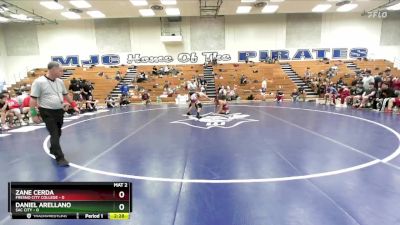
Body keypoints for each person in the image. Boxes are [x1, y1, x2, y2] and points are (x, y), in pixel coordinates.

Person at [30, 62, 75, 167]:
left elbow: (65, 94)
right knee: (54, 133)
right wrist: (33, 114)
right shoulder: (39, 82)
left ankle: (53, 148)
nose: (62, 72)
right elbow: (33, 99)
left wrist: (74, 105)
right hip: (46, 111)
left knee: (58, 132)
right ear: (53, 69)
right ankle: (60, 158)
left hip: (59, 111)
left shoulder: (60, 81)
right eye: (60, 70)